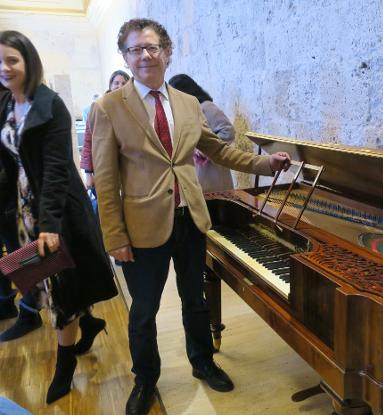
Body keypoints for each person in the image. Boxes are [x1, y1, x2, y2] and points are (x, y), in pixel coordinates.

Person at [90, 18, 291, 415]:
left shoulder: (187, 103)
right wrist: (114, 236)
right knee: (144, 310)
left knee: (195, 300)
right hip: (142, 225)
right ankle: (145, 378)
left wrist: (266, 163)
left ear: (166, 52)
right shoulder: (109, 107)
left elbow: (218, 150)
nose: (145, 55)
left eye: (152, 47)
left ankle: (202, 361)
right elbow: (105, 179)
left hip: (190, 219)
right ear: (125, 57)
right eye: (135, 49)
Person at [0, 30, 118, 403]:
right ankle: (90, 322)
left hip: (56, 214)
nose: (4, 68)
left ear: (28, 62)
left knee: (59, 290)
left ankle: (64, 365)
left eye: (12, 60)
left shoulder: (50, 105)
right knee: (37, 281)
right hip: (22, 211)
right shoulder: (5, 104)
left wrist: (49, 225)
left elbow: (54, 170)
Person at [168, 74, 235, 193]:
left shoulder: (206, 107)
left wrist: (205, 150)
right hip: (195, 174)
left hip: (212, 173)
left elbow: (228, 131)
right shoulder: (185, 110)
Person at [81, 70, 130, 189]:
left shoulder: (134, 108)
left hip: (129, 169)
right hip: (105, 167)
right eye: (116, 83)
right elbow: (88, 142)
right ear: (110, 85)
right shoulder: (98, 107)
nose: (120, 86)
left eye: (124, 83)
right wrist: (88, 174)